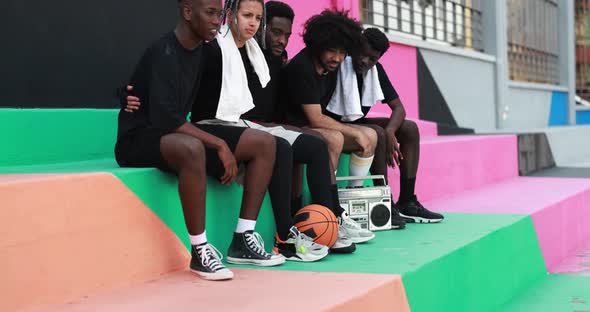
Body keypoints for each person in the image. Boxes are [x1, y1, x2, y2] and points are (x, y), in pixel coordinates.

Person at [115, 0, 284, 281]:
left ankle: (243, 237)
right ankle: (200, 251)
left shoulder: (204, 50)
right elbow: (166, 120)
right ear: (187, 12)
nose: (217, 20)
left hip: (174, 132)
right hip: (141, 139)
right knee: (193, 148)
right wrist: (219, 146)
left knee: (264, 143)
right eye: (210, 13)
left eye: (219, 13)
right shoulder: (164, 52)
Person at [326, 28, 444, 224]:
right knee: (377, 132)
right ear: (355, 47)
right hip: (332, 125)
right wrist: (384, 133)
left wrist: (391, 131)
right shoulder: (338, 64)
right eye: (362, 54)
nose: (365, 61)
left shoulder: (374, 70)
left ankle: (407, 201)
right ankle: (386, 201)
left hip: (355, 123)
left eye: (372, 59)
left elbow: (399, 108)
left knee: (409, 129)